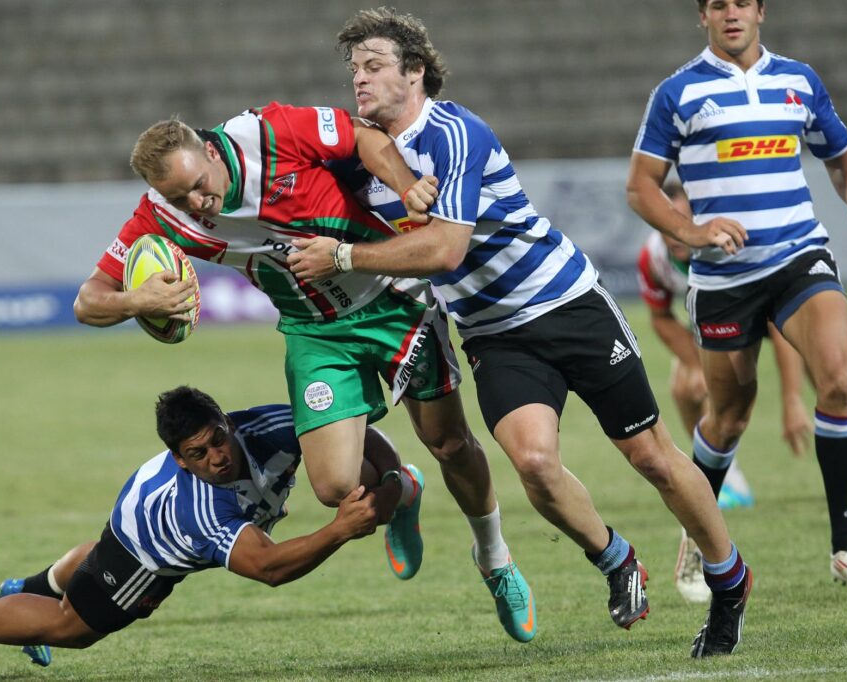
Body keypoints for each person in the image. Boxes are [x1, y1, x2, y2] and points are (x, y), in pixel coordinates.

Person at [287, 7, 752, 658]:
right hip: (493, 333)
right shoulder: (362, 158)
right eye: (353, 71)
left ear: (415, 73)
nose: (359, 81)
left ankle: (729, 581)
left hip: (565, 303)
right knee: (534, 462)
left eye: (374, 67)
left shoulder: (453, 134)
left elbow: (445, 251)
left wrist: (341, 258)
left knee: (649, 456)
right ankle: (616, 558)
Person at [74, 105, 535, 643]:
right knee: (337, 486)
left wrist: (407, 187)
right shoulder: (160, 216)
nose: (196, 204)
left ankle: (494, 557)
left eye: (199, 186)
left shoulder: (268, 132)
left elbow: (361, 136)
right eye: (180, 198)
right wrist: (136, 299)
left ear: (208, 148)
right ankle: (404, 491)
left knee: (450, 443)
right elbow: (89, 302)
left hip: (392, 296)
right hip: (315, 333)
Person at [627, 0, 847, 597]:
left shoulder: (799, 81)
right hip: (724, 280)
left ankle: (846, 549)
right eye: (718, 5)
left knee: (840, 382)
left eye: (742, 2)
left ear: (761, 11)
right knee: (729, 417)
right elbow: (640, 187)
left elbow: (842, 155)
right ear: (704, 17)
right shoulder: (677, 94)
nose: (731, 13)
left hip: (798, 256)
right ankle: (697, 542)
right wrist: (691, 233)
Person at [0, 386, 391, 681]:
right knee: (74, 627)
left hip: (142, 501)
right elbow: (268, 568)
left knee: (91, 567)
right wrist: (339, 529)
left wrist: (394, 475)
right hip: (146, 545)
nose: (216, 457)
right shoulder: (202, 509)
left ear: (226, 422)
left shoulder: (272, 424)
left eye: (218, 439)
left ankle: (26, 592)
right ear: (180, 459)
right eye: (197, 454)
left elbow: (346, 429)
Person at [638, 182, 847, 603]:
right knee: (693, 389)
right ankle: (715, 499)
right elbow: (659, 318)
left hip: (774, 315)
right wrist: (692, 362)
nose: (680, 231)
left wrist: (792, 402)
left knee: (838, 386)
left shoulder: (737, 236)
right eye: (673, 224)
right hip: (719, 312)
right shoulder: (654, 257)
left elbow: (779, 334)